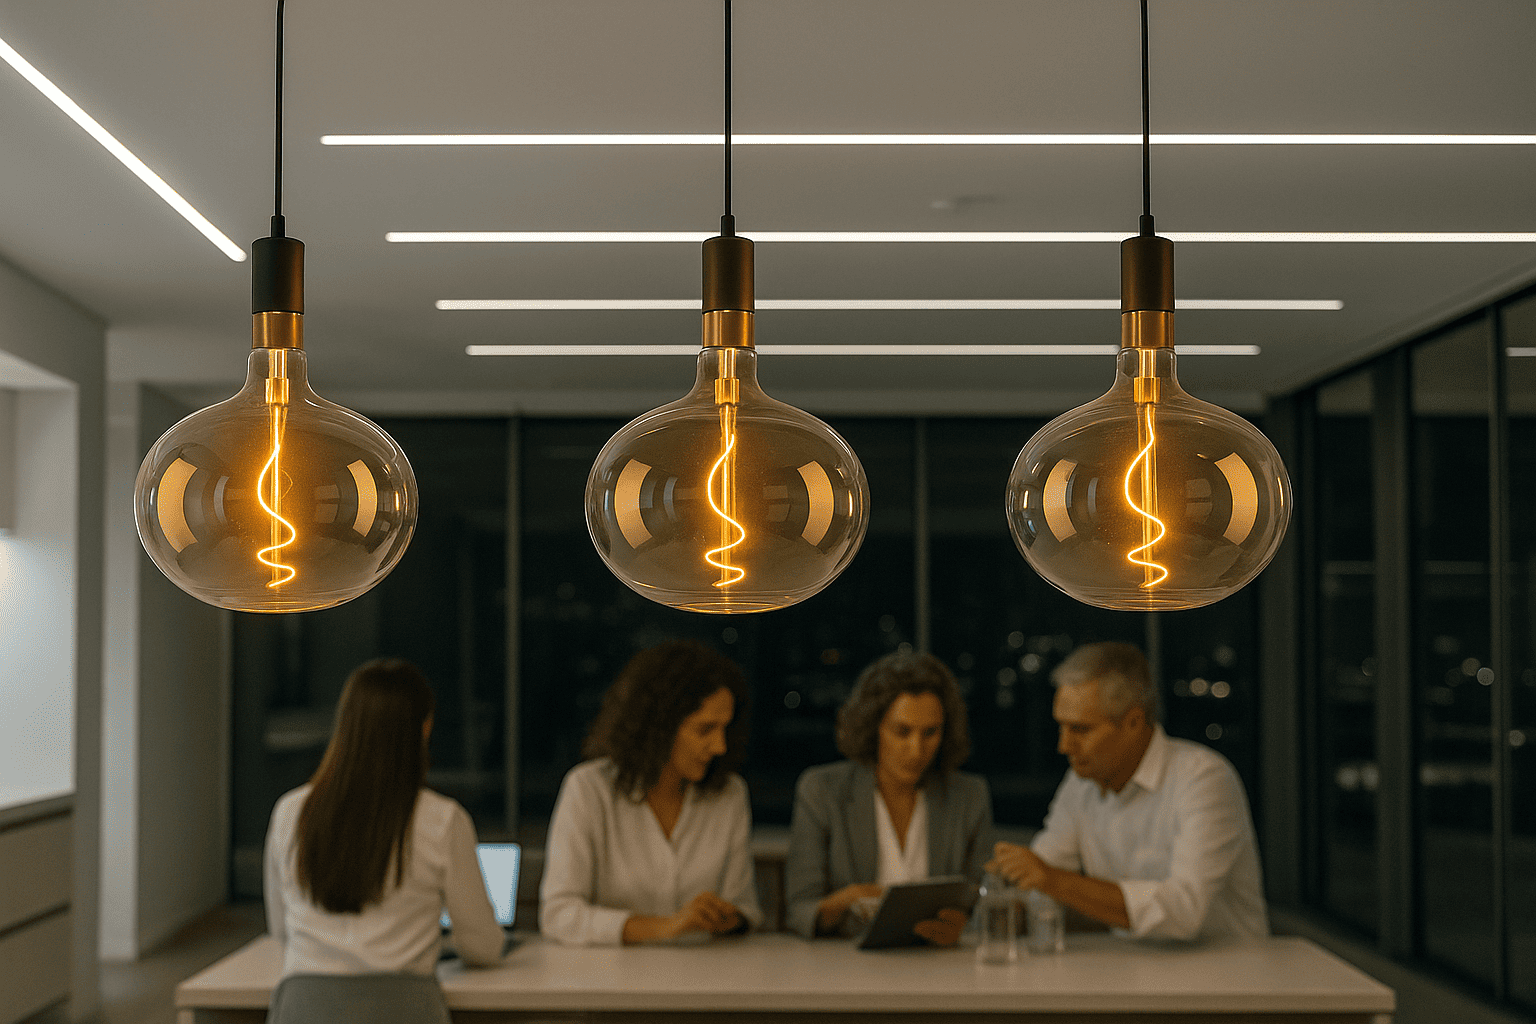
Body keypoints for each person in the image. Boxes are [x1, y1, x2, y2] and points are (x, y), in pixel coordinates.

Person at [989, 641, 1268, 941]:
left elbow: (1184, 912)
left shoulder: (1203, 778)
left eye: (1081, 730)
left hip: (1230, 974)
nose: (1064, 746)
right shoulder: (1080, 782)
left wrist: (1052, 881)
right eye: (1061, 727)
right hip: (1134, 966)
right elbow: (1042, 875)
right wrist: (1006, 896)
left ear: (1134, 722)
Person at [263, 658, 504, 976]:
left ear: (345, 724)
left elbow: (281, 930)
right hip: (402, 1012)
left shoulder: (290, 812)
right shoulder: (442, 820)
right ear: (425, 727)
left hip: (303, 1011)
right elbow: (483, 947)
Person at [539, 640, 762, 945]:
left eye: (726, 728)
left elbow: (745, 907)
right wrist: (666, 926)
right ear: (659, 724)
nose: (720, 746)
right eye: (705, 729)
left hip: (706, 978)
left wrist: (728, 917)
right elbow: (559, 915)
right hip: (608, 982)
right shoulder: (589, 789)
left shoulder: (730, 794)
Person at [784, 652, 993, 943]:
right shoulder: (823, 790)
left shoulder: (969, 796)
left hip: (942, 967)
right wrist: (850, 899)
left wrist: (964, 924)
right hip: (846, 968)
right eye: (902, 731)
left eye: (930, 733)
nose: (916, 750)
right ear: (874, 727)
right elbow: (799, 911)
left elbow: (988, 900)